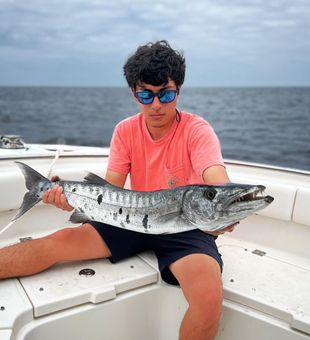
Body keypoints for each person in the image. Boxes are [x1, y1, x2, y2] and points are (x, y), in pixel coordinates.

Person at [0, 40, 235, 340]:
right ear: (133, 93)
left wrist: (225, 205)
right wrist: (71, 201)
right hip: (130, 219)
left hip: (185, 226)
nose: (157, 105)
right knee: (54, 243)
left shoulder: (196, 129)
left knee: (209, 299)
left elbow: (216, 177)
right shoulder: (125, 130)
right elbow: (110, 191)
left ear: (179, 90)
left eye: (166, 94)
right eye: (146, 95)